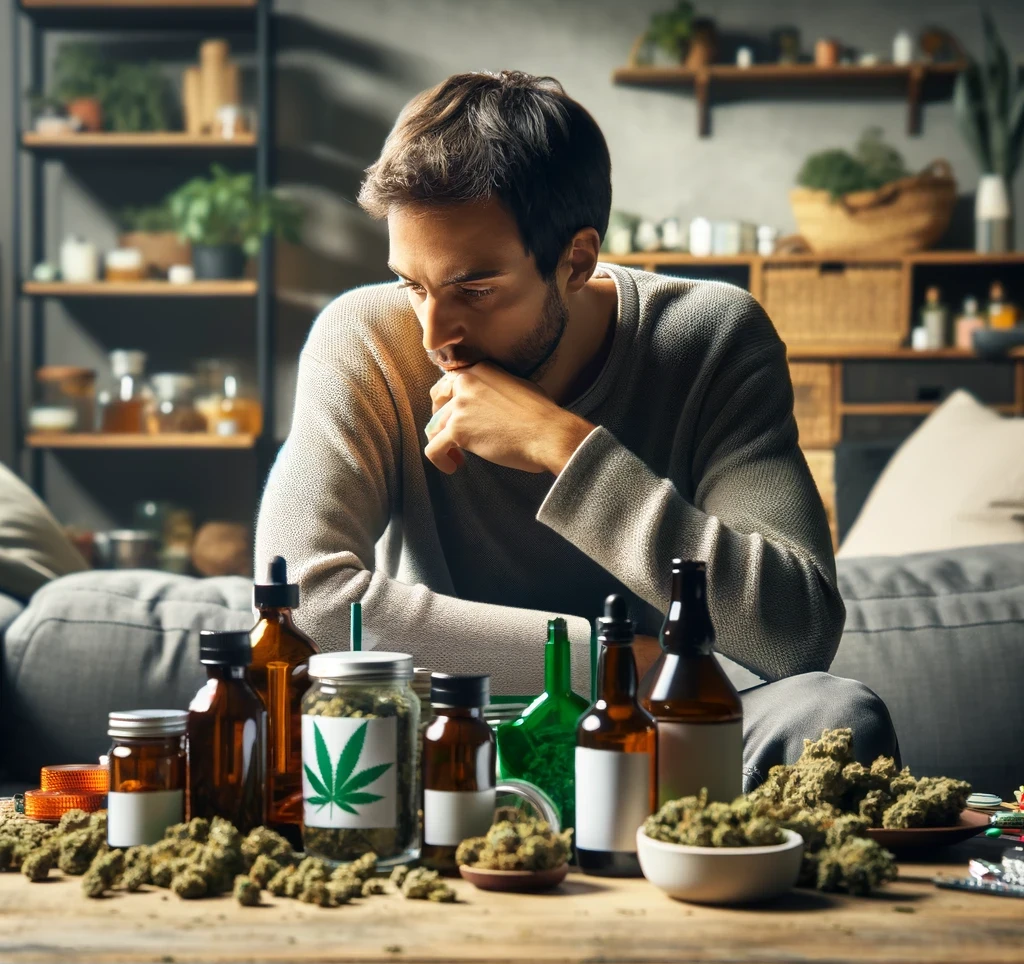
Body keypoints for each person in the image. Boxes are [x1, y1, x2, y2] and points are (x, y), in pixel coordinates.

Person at [255, 70, 897, 781]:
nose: (436, 330)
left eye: (475, 288)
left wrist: (564, 446)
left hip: (651, 738)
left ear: (577, 260)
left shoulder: (710, 337)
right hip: (454, 730)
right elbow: (302, 605)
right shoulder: (367, 340)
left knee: (833, 715)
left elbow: (797, 632)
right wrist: (614, 660)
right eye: (413, 283)